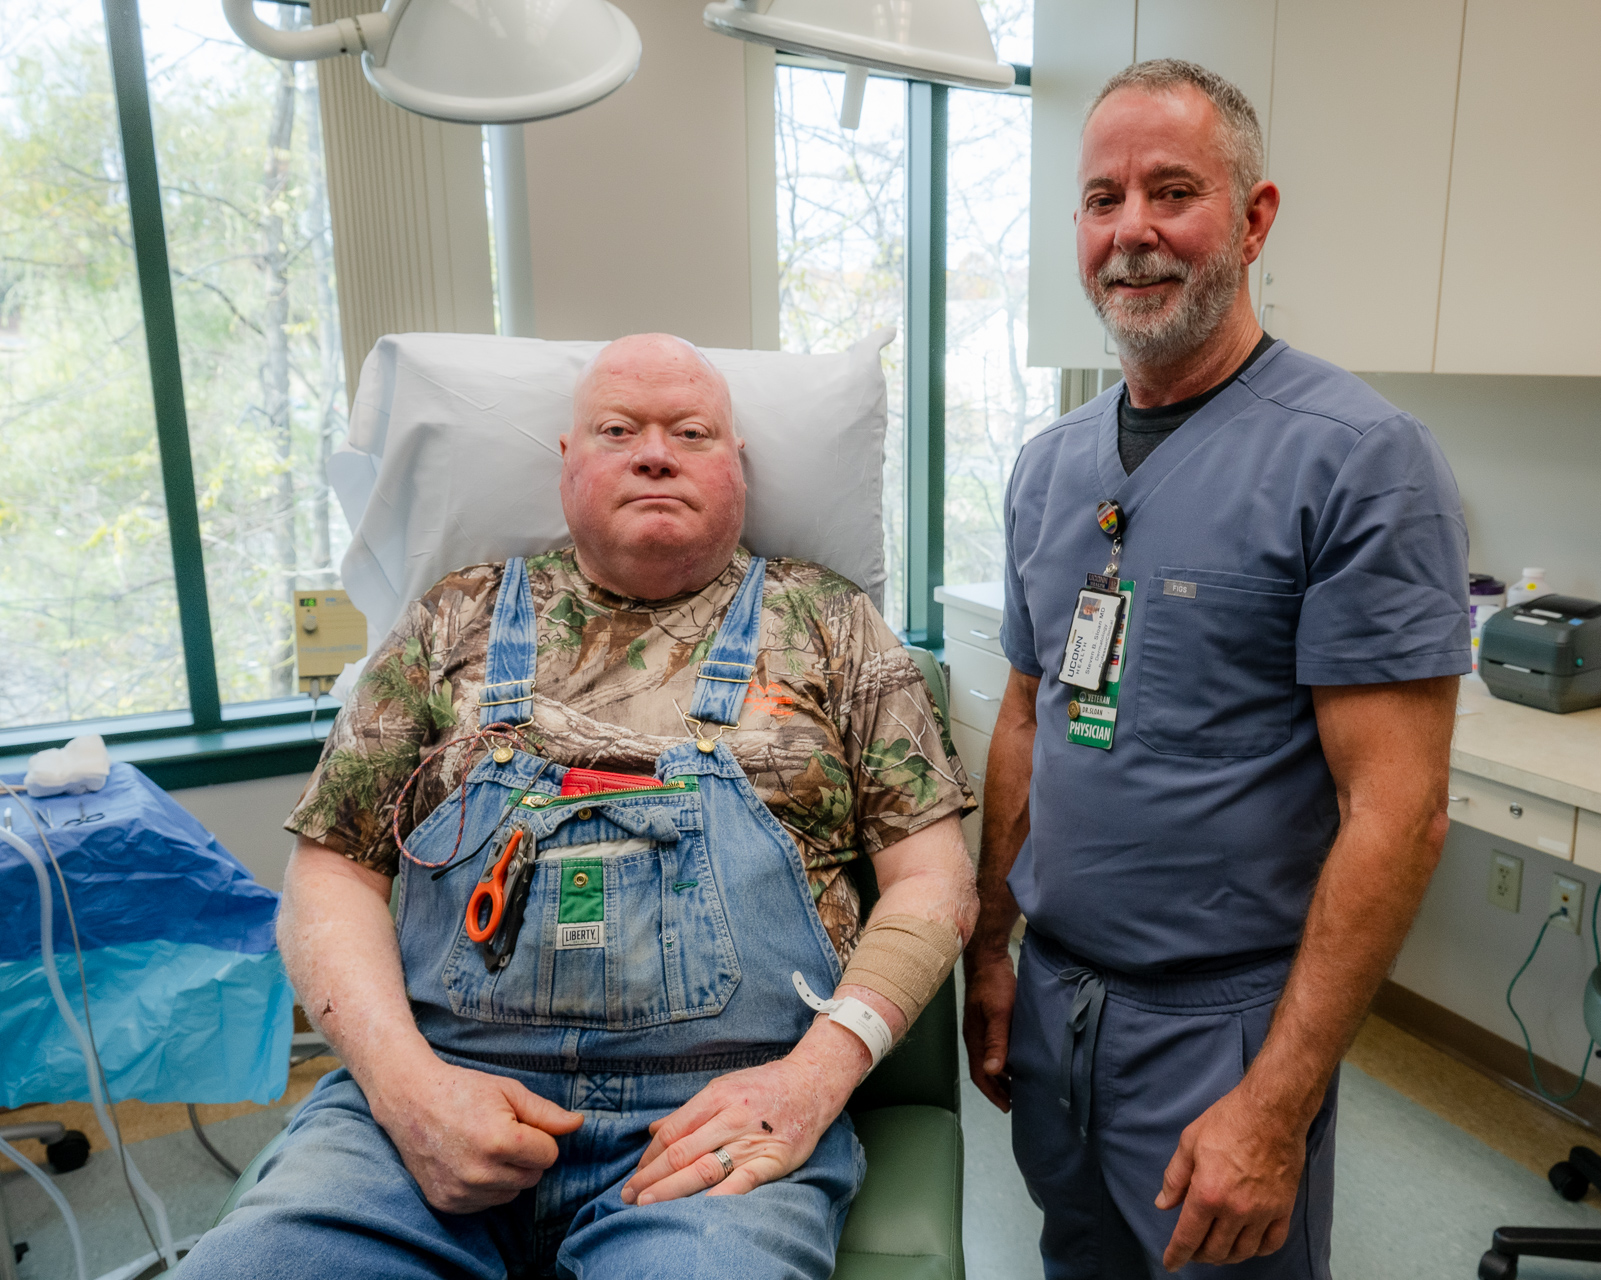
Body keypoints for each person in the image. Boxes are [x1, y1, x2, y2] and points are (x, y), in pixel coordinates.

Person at [184, 334, 977, 1279]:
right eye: (617, 429)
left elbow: (934, 885)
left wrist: (813, 1080)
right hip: (434, 1102)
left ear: (740, 468)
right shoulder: (450, 620)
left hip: (713, 1131)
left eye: (691, 431)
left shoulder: (832, 624)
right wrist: (406, 1091)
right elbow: (328, 874)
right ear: (567, 463)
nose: (654, 452)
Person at [962, 60, 1470, 1278]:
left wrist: (1277, 1101)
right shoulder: (1049, 466)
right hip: (1056, 997)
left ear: (1252, 218)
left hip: (1220, 1030)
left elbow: (1398, 813)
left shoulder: (1359, 463)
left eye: (1172, 191)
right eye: (1101, 198)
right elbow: (1030, 712)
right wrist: (992, 946)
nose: (1131, 230)